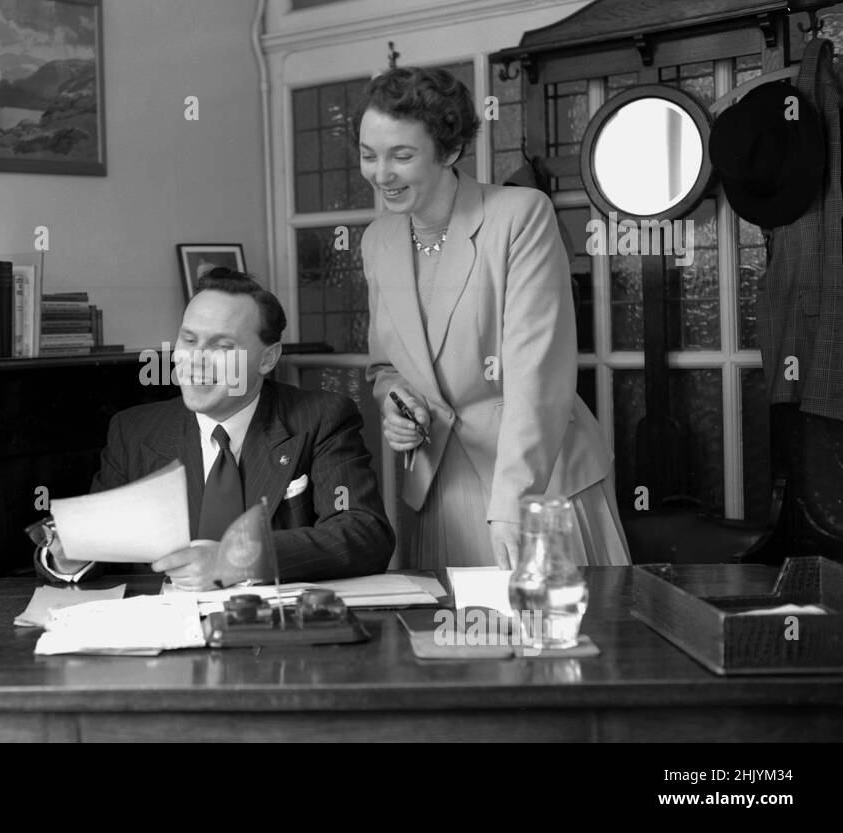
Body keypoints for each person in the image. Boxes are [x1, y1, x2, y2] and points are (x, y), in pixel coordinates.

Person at [356, 67, 630, 570]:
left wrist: (514, 505)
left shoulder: (521, 215)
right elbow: (387, 366)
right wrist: (396, 405)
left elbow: (537, 374)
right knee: (455, 642)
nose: (381, 173)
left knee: (558, 640)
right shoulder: (377, 241)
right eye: (369, 154)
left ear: (451, 151)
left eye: (402, 155)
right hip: (439, 485)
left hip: (535, 482)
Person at [39, 268, 395, 590]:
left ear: (268, 359)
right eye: (189, 341)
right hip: (164, 642)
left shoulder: (320, 418)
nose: (195, 360)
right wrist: (70, 557)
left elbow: (364, 533)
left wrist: (238, 560)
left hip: (276, 642)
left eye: (222, 346)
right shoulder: (134, 431)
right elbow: (98, 548)